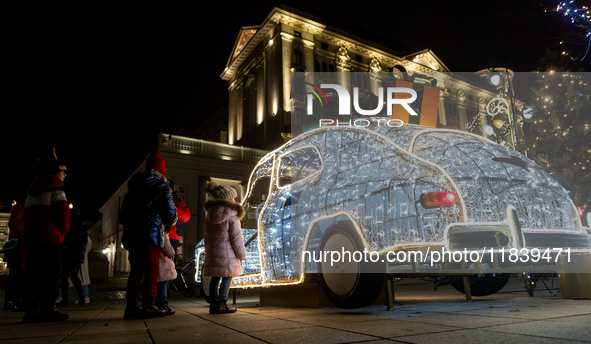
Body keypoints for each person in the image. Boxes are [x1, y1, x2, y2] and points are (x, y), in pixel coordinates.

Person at [120, 149, 177, 319]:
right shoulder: (161, 186)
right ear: (162, 171)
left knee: (136, 270)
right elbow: (171, 214)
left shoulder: (132, 188)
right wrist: (168, 223)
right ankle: (149, 305)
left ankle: (131, 306)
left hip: (132, 236)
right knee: (152, 269)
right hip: (150, 234)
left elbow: (123, 216)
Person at [22, 149, 70, 323]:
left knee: (33, 275)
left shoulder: (33, 189)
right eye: (63, 171)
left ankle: (30, 311)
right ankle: (48, 309)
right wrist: (64, 232)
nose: (65, 175)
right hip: (50, 238)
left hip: (33, 240)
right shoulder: (56, 188)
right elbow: (63, 216)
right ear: (56, 172)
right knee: (52, 274)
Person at [203, 181, 246, 314]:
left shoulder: (209, 215)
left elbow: (206, 236)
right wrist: (241, 254)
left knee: (215, 277)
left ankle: (213, 304)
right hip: (228, 254)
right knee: (227, 276)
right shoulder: (232, 216)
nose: (235, 200)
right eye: (233, 197)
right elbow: (236, 238)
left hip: (213, 252)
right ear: (228, 199)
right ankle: (222, 303)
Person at [56, 207, 87, 306]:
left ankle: (65, 299)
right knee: (74, 276)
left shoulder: (70, 227)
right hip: (78, 256)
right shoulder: (82, 229)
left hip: (68, 255)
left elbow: (65, 240)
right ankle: (81, 297)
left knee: (64, 277)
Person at [3, 199, 26, 312]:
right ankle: (12, 301)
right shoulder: (21, 208)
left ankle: (12, 301)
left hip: (20, 248)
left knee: (16, 277)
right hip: (19, 249)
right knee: (16, 278)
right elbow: (13, 224)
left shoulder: (20, 208)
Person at [166, 179, 191, 259]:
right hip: (160, 235)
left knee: (169, 262)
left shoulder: (178, 203)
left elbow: (186, 216)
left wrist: (174, 209)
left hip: (172, 236)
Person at [155, 229, 176, 315]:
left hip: (158, 257)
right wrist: (169, 251)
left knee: (159, 282)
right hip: (163, 258)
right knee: (164, 282)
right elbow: (164, 238)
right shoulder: (161, 225)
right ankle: (163, 303)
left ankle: (157, 303)